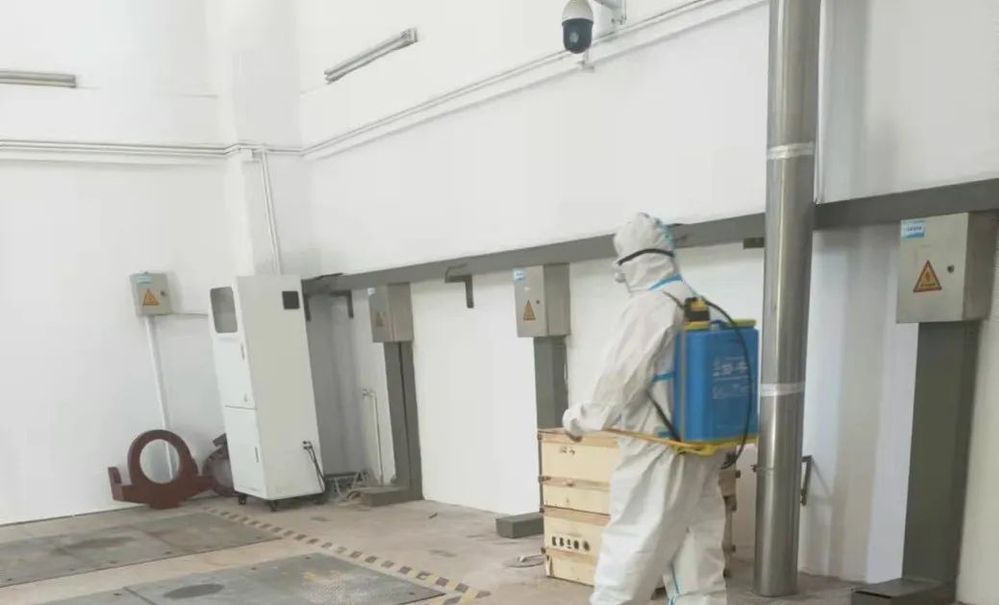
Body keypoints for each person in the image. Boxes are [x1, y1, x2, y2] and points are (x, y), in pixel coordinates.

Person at [563, 213, 727, 605]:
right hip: (704, 449)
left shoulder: (649, 308)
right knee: (697, 555)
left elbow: (616, 384)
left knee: (630, 553)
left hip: (659, 453)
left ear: (630, 263)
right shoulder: (704, 305)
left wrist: (577, 420)